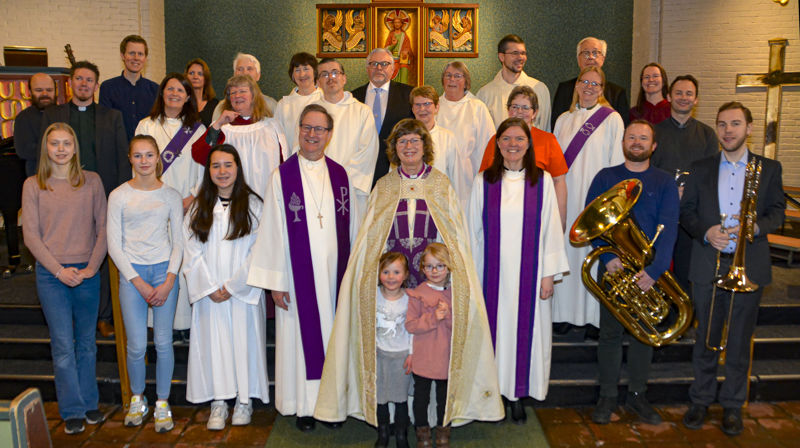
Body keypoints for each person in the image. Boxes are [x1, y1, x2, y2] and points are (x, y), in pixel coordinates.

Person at [314, 118, 503, 431]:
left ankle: (431, 418)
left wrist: (450, 275)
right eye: (403, 142)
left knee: (431, 347)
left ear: (425, 147)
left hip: (432, 283)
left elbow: (452, 235)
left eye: (415, 141)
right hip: (394, 285)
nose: (409, 147)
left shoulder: (440, 183)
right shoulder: (385, 186)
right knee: (395, 348)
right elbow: (370, 238)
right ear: (395, 149)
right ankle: (395, 414)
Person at [247, 104, 360, 432]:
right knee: (300, 342)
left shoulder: (341, 174)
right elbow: (271, 230)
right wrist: (277, 282)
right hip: (297, 280)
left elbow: (352, 230)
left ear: (329, 134)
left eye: (319, 129)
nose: (312, 135)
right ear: (299, 130)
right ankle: (305, 407)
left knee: (334, 339)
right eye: (306, 128)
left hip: (334, 278)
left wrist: (351, 274)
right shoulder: (282, 175)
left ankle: (334, 405)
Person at [681, 102, 785, 436]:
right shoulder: (700, 167)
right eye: (722, 124)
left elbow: (777, 213)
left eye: (736, 124)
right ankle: (700, 399)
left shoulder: (768, 168)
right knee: (706, 338)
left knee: (740, 341)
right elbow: (687, 213)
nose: (728, 131)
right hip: (708, 264)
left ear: (749, 128)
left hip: (749, 264)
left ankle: (732, 405)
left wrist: (753, 228)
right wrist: (705, 231)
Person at [468, 117, 569, 423]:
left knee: (526, 333)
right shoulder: (484, 181)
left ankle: (518, 395)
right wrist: (472, 276)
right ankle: (494, 391)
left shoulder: (542, 181)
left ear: (529, 144)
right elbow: (473, 231)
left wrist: (548, 275)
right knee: (493, 332)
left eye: (519, 139)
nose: (513, 145)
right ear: (497, 144)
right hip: (491, 276)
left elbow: (551, 229)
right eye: (507, 139)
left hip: (531, 274)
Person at [586, 120, 679, 425]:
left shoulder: (664, 182)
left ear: (653, 146)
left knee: (645, 335)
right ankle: (607, 396)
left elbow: (669, 230)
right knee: (610, 335)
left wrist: (655, 271)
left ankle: (638, 396)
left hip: (648, 274)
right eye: (632, 137)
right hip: (613, 271)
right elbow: (590, 223)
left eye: (643, 138)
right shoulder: (606, 177)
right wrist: (609, 254)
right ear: (623, 143)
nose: (637, 142)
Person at [21, 123, 107, 435]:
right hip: (51, 275)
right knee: (62, 345)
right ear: (46, 148)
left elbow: (104, 228)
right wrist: (58, 270)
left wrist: (92, 267)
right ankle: (71, 409)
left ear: (75, 147)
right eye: (54, 143)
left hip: (87, 273)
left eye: (66, 143)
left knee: (86, 344)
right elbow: (30, 236)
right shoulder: (33, 185)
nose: (60, 149)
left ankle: (89, 404)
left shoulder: (92, 182)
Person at [41, 60, 130, 339]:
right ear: (70, 82)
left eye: (89, 80)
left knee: (99, 254)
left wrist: (119, 197)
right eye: (78, 79)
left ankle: (103, 316)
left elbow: (121, 158)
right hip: (61, 200)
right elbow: (43, 154)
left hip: (100, 196)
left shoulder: (111, 117)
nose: (83, 84)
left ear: (96, 85)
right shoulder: (52, 115)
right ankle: (67, 316)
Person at [184, 144, 268, 430]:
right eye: (216, 166)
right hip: (210, 294)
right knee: (214, 345)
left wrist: (233, 286)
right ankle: (219, 402)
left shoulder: (254, 205)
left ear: (237, 168)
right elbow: (190, 250)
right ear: (208, 171)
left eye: (227, 165)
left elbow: (259, 251)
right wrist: (209, 287)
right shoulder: (199, 206)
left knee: (243, 344)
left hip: (241, 292)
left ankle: (244, 401)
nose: (222, 171)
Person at [107, 135, 182, 433]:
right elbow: (114, 244)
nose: (144, 161)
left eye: (149, 155)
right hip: (132, 276)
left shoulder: (171, 196)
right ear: (130, 159)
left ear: (157, 158)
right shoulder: (119, 196)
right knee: (137, 344)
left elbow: (178, 243)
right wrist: (136, 281)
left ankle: (162, 402)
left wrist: (168, 281)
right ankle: (138, 398)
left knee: (163, 342)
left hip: (164, 273)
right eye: (138, 156)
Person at [552, 66, 624, 336]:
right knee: (567, 256)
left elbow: (615, 164)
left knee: (593, 256)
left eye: (596, 84)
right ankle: (564, 314)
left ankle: (594, 317)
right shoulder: (563, 119)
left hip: (596, 198)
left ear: (603, 89)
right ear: (577, 85)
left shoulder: (612, 119)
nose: (590, 87)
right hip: (567, 198)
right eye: (585, 82)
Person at [134, 73, 205, 336]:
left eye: (181, 90)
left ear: (188, 96)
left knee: (184, 261)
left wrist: (192, 197)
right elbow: (138, 165)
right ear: (162, 93)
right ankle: (158, 323)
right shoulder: (146, 125)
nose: (175, 94)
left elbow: (203, 171)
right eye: (170, 89)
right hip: (153, 207)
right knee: (159, 261)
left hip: (187, 207)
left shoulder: (197, 130)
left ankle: (184, 325)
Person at [651, 75, 719, 292]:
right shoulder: (654, 132)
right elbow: (648, 171)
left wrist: (687, 193)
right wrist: (671, 192)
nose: (683, 97)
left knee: (686, 271)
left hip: (692, 214)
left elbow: (711, 176)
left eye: (689, 93)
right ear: (669, 96)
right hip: (660, 212)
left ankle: (686, 320)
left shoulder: (707, 134)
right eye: (678, 93)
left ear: (696, 99)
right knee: (657, 269)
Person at [478, 86, 569, 229]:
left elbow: (559, 181)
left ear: (535, 113)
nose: (519, 112)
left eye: (525, 107)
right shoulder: (495, 141)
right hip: (500, 217)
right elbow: (483, 180)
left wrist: (560, 220)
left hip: (537, 217)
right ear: (508, 110)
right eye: (515, 106)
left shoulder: (548, 141)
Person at [191, 75, 287, 196]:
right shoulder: (222, 128)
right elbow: (199, 156)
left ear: (253, 95)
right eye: (233, 93)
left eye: (242, 91)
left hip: (265, 198)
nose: (237, 95)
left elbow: (284, 165)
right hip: (231, 200)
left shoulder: (272, 127)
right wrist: (218, 123)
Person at [312, 58, 378, 212]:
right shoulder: (311, 112)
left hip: (352, 189)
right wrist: (319, 179)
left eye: (335, 73)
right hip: (317, 187)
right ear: (318, 82)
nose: (331, 78)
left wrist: (340, 180)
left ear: (344, 78)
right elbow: (303, 148)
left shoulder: (362, 111)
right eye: (325, 74)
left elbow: (367, 152)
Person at [405, 243, 455, 446]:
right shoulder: (417, 293)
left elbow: (461, 326)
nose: (434, 271)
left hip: (446, 356)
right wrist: (434, 317)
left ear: (449, 268)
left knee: (444, 398)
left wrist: (448, 315)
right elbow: (410, 325)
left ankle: (444, 430)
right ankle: (422, 431)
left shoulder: (455, 294)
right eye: (429, 267)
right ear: (422, 269)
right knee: (421, 397)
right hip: (424, 355)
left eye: (440, 266)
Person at [351, 48, 414, 188]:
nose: (379, 68)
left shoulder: (408, 95)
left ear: (393, 68)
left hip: (397, 168)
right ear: (367, 68)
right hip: (361, 170)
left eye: (384, 64)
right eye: (373, 64)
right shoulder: (353, 97)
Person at [437, 62, 494, 204]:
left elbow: (488, 147)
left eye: (457, 76)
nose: (452, 80)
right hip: (438, 177)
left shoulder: (477, 107)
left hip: (469, 179)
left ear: (466, 82)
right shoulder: (434, 106)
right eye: (448, 75)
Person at [374, 251, 412, 448]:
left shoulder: (410, 299)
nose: (391, 277)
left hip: (401, 356)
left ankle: (401, 434)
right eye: (386, 272)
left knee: (400, 399)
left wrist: (412, 353)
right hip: (379, 355)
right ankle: (383, 432)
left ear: (405, 275)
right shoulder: (372, 297)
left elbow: (414, 330)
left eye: (396, 272)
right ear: (379, 273)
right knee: (380, 398)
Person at [476, 34, 551, 131]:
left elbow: (545, 129)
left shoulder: (539, 89)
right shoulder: (485, 94)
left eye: (523, 53)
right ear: (501, 57)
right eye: (515, 53)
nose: (520, 57)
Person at [551, 37, 629, 129]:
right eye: (586, 53)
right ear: (578, 59)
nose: (591, 57)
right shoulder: (564, 89)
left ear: (603, 59)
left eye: (595, 53)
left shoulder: (617, 93)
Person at [409, 85, 466, 203]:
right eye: (418, 105)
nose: (422, 109)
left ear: (437, 107)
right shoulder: (403, 138)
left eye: (427, 104)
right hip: (410, 201)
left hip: (439, 203)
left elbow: (456, 178)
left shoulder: (447, 138)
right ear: (412, 109)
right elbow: (393, 175)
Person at [99, 35, 159, 140]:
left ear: (145, 58)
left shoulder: (155, 89)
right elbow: (105, 125)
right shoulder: (108, 88)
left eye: (140, 54)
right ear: (123, 55)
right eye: (131, 53)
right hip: (117, 151)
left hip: (146, 151)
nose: (136, 58)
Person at [274, 52, 322, 154]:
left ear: (315, 72)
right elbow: (278, 139)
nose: (302, 74)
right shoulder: (283, 105)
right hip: (292, 161)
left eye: (306, 69)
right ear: (292, 75)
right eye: (297, 70)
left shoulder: (325, 100)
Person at [211, 53, 278, 121]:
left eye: (249, 69)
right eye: (240, 69)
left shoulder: (271, 105)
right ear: (234, 75)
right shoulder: (221, 108)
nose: (245, 73)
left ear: (258, 75)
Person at [14, 73, 56, 176]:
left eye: (49, 90)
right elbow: (24, 151)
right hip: (38, 177)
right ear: (29, 92)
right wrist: (59, 150)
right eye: (39, 90)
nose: (45, 94)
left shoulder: (65, 114)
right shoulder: (23, 118)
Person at [185, 58, 219, 128]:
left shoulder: (215, 105)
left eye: (200, 74)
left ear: (206, 78)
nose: (195, 77)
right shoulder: (181, 103)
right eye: (191, 73)